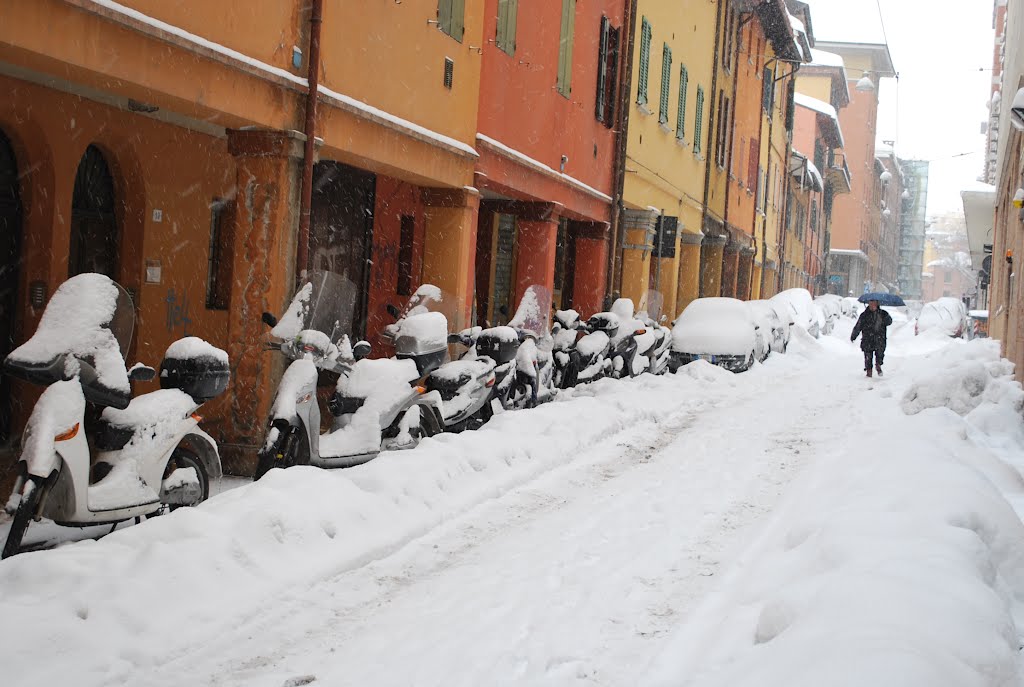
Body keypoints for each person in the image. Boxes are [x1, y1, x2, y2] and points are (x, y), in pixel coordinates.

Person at [851, 299, 892, 377]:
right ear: (868, 304)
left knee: (880, 354)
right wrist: (854, 335)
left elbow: (889, 322)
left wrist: (886, 318)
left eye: (874, 303)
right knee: (868, 356)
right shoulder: (864, 315)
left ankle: (878, 365)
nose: (872, 305)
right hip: (867, 339)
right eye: (871, 303)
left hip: (880, 339)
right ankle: (869, 371)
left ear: (877, 304)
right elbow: (858, 326)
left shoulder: (883, 314)